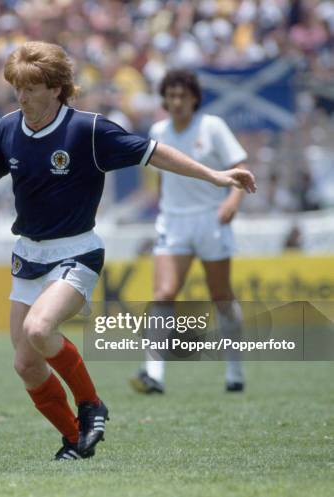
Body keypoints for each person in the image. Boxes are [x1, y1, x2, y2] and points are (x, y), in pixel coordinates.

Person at [0, 42, 256, 460]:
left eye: (31, 88)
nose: (22, 96)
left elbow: (153, 153)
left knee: (40, 331)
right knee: (26, 364)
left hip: (76, 252)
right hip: (27, 257)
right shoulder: (6, 129)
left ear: (56, 89)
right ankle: (75, 439)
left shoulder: (89, 130)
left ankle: (92, 405)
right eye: (17, 87)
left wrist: (215, 175)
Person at [130, 69, 250, 395]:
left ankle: (234, 370)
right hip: (173, 222)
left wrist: (233, 201)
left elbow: (241, 168)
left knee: (221, 296)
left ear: (194, 98)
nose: (177, 102)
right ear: (165, 100)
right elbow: (156, 181)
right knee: (164, 293)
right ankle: (153, 373)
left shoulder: (212, 126)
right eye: (171, 96)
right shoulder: (158, 131)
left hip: (212, 220)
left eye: (183, 95)